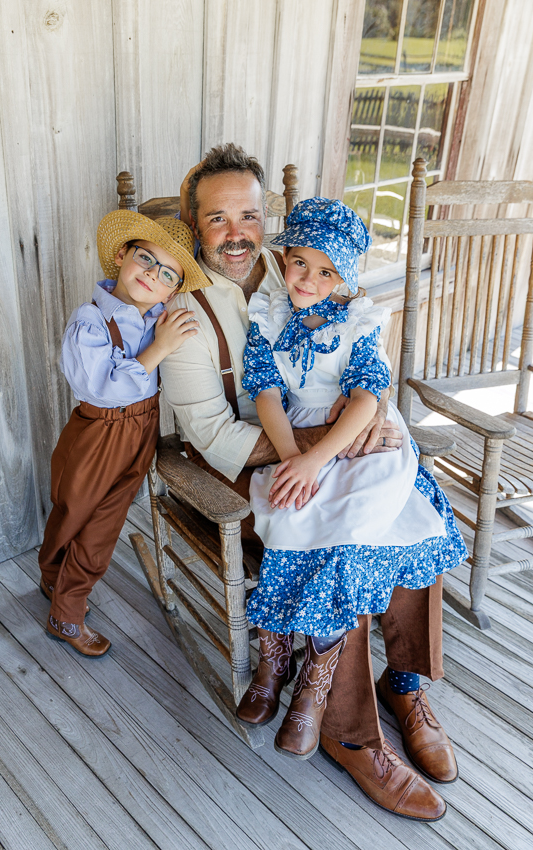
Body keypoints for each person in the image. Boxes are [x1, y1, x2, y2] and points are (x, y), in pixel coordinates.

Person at [160, 144, 459, 820]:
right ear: (192, 222)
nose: (237, 232)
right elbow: (211, 435)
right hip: (252, 461)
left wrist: (370, 419)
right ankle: (349, 733)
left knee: (412, 499)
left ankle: (403, 680)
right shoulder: (184, 314)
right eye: (216, 218)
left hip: (324, 440)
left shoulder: (295, 264)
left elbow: (360, 356)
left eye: (249, 214)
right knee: (338, 542)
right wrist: (323, 447)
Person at [235, 197, 467, 779]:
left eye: (326, 270)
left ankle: (397, 685)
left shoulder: (358, 320)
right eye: (298, 264)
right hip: (300, 443)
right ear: (283, 259)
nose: (308, 279)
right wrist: (295, 458)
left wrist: (317, 457)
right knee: (297, 522)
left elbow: (367, 395)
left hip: (354, 444)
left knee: (405, 516)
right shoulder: (266, 314)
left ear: (347, 277)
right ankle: (295, 680)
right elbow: (265, 392)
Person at [38, 211, 209, 656]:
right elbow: (100, 386)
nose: (153, 275)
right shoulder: (91, 322)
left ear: (174, 289)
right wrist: (159, 349)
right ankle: (66, 616)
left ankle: (56, 581)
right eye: (146, 259)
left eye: (168, 274)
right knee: (86, 520)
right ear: (121, 255)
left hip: (141, 430)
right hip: (99, 433)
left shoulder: (158, 316)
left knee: (100, 517)